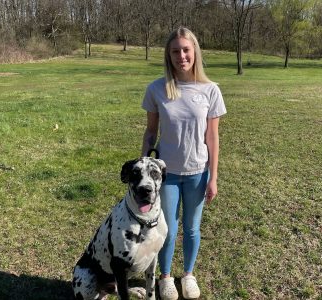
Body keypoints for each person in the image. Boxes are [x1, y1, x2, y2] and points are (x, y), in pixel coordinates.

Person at [141, 27, 226, 300]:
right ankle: (165, 277)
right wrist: (143, 170)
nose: (181, 56)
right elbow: (151, 132)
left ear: (195, 52)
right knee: (167, 227)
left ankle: (188, 274)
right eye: (175, 51)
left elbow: (212, 137)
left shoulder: (210, 90)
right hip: (166, 174)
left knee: (191, 227)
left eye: (186, 50)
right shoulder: (157, 89)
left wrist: (212, 177)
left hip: (197, 173)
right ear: (169, 55)